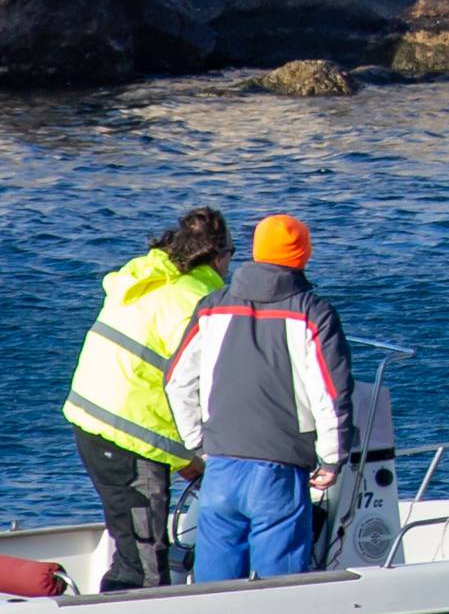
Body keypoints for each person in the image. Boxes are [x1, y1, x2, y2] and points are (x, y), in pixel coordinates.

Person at [166, 214, 354, 583]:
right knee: (282, 588)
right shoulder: (312, 311)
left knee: (213, 586)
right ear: (303, 256)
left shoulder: (211, 305)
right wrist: (332, 458)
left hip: (220, 464)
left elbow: (177, 381)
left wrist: (197, 442)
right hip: (279, 468)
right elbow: (329, 394)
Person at [64, 207, 232, 591]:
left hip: (93, 421)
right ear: (218, 256)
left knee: (132, 543)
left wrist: (183, 458)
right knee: (143, 564)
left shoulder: (148, 277)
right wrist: (191, 455)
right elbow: (197, 386)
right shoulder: (196, 300)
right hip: (128, 433)